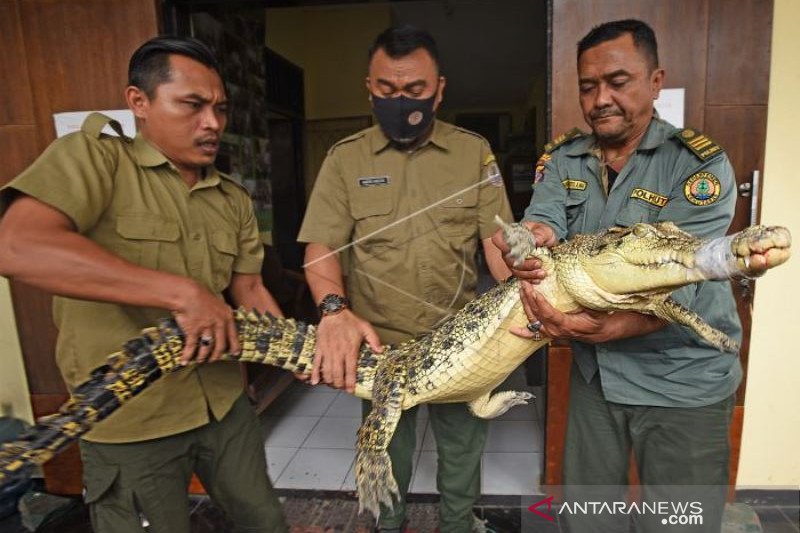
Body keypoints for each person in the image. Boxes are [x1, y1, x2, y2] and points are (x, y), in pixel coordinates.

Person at [0, 37, 287, 533]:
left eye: (220, 108)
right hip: (131, 419)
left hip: (223, 404)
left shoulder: (233, 197)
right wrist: (184, 293)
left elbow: (249, 290)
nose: (213, 123)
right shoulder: (95, 159)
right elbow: (17, 247)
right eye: (192, 106)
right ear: (139, 102)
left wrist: (300, 349)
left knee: (263, 519)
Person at [493, 19, 741, 533]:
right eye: (588, 86)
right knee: (589, 517)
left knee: (681, 522)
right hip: (597, 375)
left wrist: (607, 327)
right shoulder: (564, 157)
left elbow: (685, 278)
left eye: (618, 81)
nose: (600, 98)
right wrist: (528, 241)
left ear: (655, 81)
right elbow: (547, 221)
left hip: (682, 378)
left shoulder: (697, 167)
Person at [298, 25, 513, 533]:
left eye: (415, 91)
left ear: (439, 89)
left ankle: (460, 523)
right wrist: (334, 311)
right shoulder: (345, 159)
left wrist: (524, 295)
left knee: (463, 449)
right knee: (385, 453)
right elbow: (320, 245)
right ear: (368, 89)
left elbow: (496, 242)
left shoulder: (473, 153)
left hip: (461, 344)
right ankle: (387, 525)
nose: (401, 103)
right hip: (381, 347)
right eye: (387, 91)